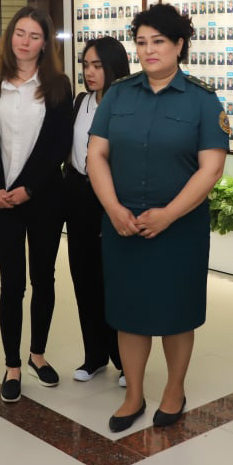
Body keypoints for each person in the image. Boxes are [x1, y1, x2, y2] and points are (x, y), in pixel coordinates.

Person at [87, 3, 229, 432]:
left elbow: (211, 168)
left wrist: (168, 215)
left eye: (159, 41)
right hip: (123, 224)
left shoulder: (202, 99)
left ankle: (174, 390)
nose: (149, 50)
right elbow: (96, 155)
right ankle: (133, 393)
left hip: (179, 226)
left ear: (179, 45)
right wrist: (113, 208)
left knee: (176, 312)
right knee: (128, 312)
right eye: (141, 42)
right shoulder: (118, 94)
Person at [0, 6, 73, 403]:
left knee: (43, 279)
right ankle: (12, 364)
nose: (25, 41)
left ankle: (38, 354)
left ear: (45, 43)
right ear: (10, 36)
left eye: (34, 35)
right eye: (20, 33)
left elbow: (58, 145)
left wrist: (28, 188)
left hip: (44, 198)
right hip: (2, 201)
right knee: (11, 283)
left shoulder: (58, 85)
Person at [66, 36, 130, 384]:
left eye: (97, 66)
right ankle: (94, 355)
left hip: (112, 197)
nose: (89, 72)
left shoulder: (126, 105)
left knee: (113, 281)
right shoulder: (81, 101)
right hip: (79, 195)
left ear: (113, 66)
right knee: (83, 276)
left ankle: (124, 360)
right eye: (85, 65)